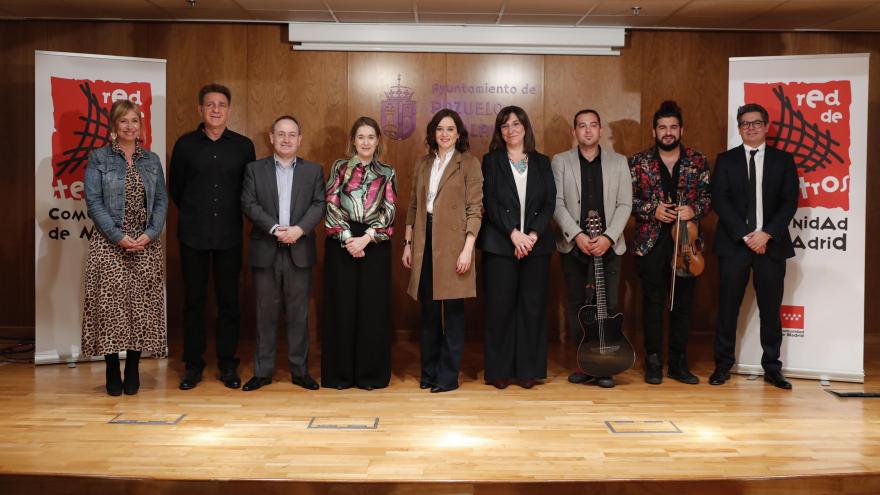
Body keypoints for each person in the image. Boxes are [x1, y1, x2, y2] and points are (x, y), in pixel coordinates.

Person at [170, 83, 255, 391]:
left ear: (229, 110)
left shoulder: (243, 146)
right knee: (193, 302)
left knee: (228, 303)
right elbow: (176, 190)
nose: (216, 109)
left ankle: (227, 364)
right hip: (193, 235)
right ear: (200, 110)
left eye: (221, 104)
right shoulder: (185, 145)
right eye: (210, 105)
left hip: (230, 237)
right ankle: (193, 365)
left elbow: (249, 191)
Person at [82, 99, 168, 396]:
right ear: (114, 126)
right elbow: (93, 202)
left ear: (140, 125)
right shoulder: (99, 158)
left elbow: (161, 201)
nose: (130, 126)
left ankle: (133, 367)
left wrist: (151, 233)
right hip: (110, 243)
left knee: (140, 308)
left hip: (145, 243)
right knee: (111, 308)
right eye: (124, 121)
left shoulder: (152, 160)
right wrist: (117, 236)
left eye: (134, 120)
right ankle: (111, 368)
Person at [710, 103, 799, 390]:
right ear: (739, 128)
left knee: (771, 310)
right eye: (745, 123)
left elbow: (789, 202)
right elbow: (720, 200)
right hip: (735, 245)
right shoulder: (725, 160)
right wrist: (748, 235)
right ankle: (722, 366)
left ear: (766, 126)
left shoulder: (784, 161)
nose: (750, 127)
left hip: (771, 246)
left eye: (756, 122)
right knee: (727, 309)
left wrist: (767, 234)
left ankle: (772, 367)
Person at [239, 115, 325, 392]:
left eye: (292, 134)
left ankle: (300, 371)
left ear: (300, 139)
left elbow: (319, 204)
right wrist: (276, 228)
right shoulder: (254, 169)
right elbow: (248, 203)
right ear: (271, 138)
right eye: (281, 134)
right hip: (266, 249)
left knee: (299, 313)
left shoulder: (313, 171)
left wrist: (298, 230)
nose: (287, 139)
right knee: (265, 313)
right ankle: (263, 372)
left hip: (299, 249)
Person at [630, 101, 711, 385]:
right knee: (653, 304)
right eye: (662, 127)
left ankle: (678, 363)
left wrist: (694, 210)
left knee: (683, 304)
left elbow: (707, 198)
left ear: (681, 129)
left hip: (686, 243)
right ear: (654, 131)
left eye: (673, 127)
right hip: (650, 243)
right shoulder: (638, 162)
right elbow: (629, 201)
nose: (668, 132)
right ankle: (653, 361)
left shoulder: (697, 161)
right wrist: (652, 210)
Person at [402, 109, 483, 393]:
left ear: (458, 133)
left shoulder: (469, 163)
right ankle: (429, 372)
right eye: (439, 128)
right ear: (432, 133)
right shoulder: (423, 163)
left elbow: (476, 209)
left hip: (455, 243)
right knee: (429, 314)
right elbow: (413, 205)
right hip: (425, 239)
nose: (444, 134)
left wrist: (468, 249)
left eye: (450, 129)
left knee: (454, 313)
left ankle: (448, 377)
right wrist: (408, 243)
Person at [552, 109, 632, 389]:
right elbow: (557, 203)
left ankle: (605, 366)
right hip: (574, 246)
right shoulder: (560, 162)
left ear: (600, 130)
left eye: (593, 125)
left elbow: (625, 204)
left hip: (609, 245)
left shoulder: (619, 162)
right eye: (582, 126)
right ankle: (583, 363)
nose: (587, 130)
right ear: (574, 132)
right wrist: (577, 235)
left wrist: (609, 237)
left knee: (607, 305)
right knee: (577, 306)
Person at [478, 106, 555, 389]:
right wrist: (514, 234)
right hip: (501, 244)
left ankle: (528, 371)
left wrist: (532, 235)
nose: (511, 130)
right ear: (500, 132)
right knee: (500, 308)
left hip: (537, 245)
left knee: (532, 308)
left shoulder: (542, 162)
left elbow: (549, 202)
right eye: (504, 126)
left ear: (525, 127)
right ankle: (499, 370)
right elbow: (491, 202)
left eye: (515, 124)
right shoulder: (491, 161)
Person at [323, 117, 396, 390]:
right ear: (353, 140)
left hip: (374, 244)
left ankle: (370, 376)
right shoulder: (339, 168)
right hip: (341, 243)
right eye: (361, 137)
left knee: (372, 311)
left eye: (371, 137)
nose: (366, 142)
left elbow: (389, 212)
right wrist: (348, 239)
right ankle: (340, 376)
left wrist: (364, 239)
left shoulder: (387, 172)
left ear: (378, 141)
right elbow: (330, 204)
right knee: (341, 308)